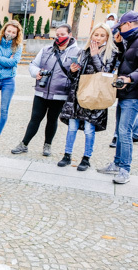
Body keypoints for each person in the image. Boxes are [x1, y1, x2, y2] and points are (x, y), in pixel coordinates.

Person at [57, 23, 120, 171]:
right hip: (78, 93)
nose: (98, 38)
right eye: (96, 34)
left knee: (89, 128)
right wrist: (73, 70)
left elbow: (105, 74)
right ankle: (67, 154)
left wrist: (95, 55)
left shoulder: (111, 52)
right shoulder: (84, 50)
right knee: (72, 126)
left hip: (95, 95)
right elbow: (76, 75)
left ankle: (86, 158)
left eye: (102, 35)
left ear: (107, 37)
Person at [11, 24, 80, 156]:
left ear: (70, 35)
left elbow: (78, 75)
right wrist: (37, 72)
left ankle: (47, 145)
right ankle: (24, 144)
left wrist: (73, 71)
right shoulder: (47, 49)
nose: (59, 37)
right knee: (35, 118)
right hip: (41, 90)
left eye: (62, 35)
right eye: (57, 35)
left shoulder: (77, 52)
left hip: (60, 93)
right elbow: (33, 65)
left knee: (52, 120)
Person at [97, 11, 138, 184]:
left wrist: (129, 78)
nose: (119, 29)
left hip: (133, 93)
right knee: (120, 131)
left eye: (121, 26)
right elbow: (126, 62)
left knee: (124, 132)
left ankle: (124, 169)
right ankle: (117, 163)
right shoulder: (130, 41)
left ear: (129, 24)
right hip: (124, 92)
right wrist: (120, 46)